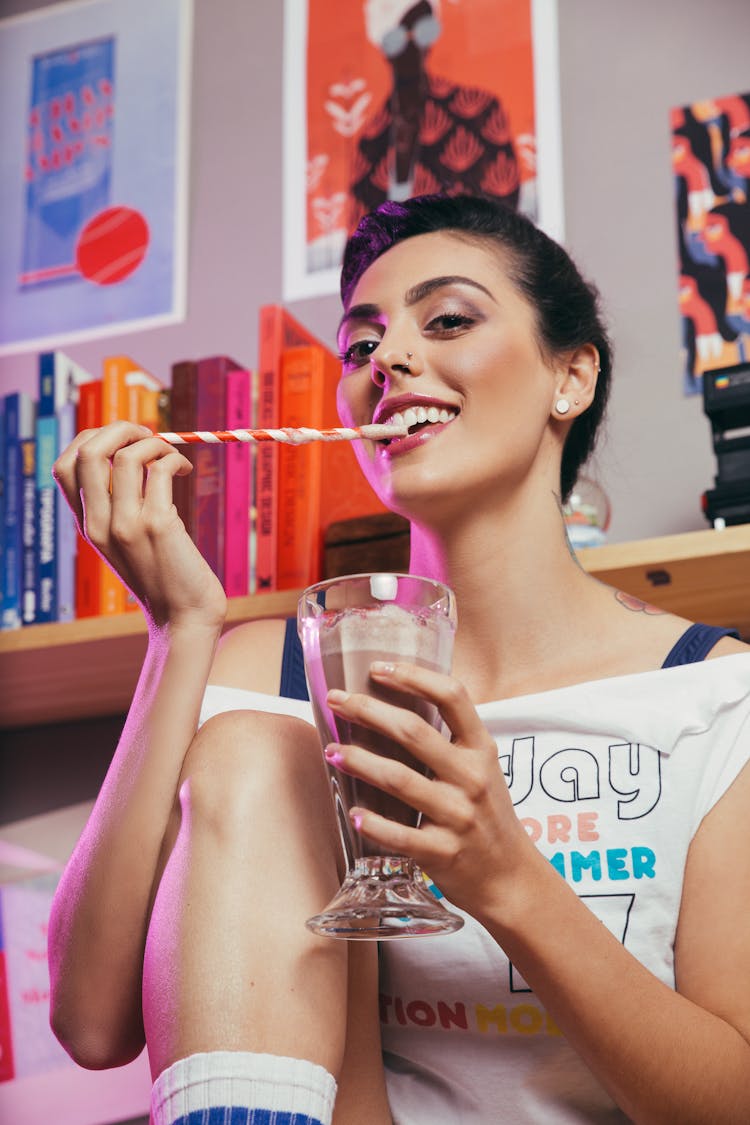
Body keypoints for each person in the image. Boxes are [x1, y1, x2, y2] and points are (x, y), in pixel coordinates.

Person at [48, 194, 750, 1124]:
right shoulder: (270, 675)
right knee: (260, 749)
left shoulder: (715, 693)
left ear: (570, 376)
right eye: (360, 345)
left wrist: (506, 878)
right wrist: (180, 628)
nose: (387, 361)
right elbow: (93, 1025)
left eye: (448, 319)